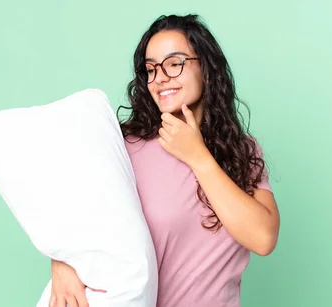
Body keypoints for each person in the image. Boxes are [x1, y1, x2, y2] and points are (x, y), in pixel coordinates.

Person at [49, 14, 280, 307]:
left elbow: (263, 238)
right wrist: (62, 263)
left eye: (174, 64)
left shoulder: (240, 150)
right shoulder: (126, 147)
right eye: (151, 69)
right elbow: (75, 216)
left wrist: (198, 156)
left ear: (206, 71)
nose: (160, 78)